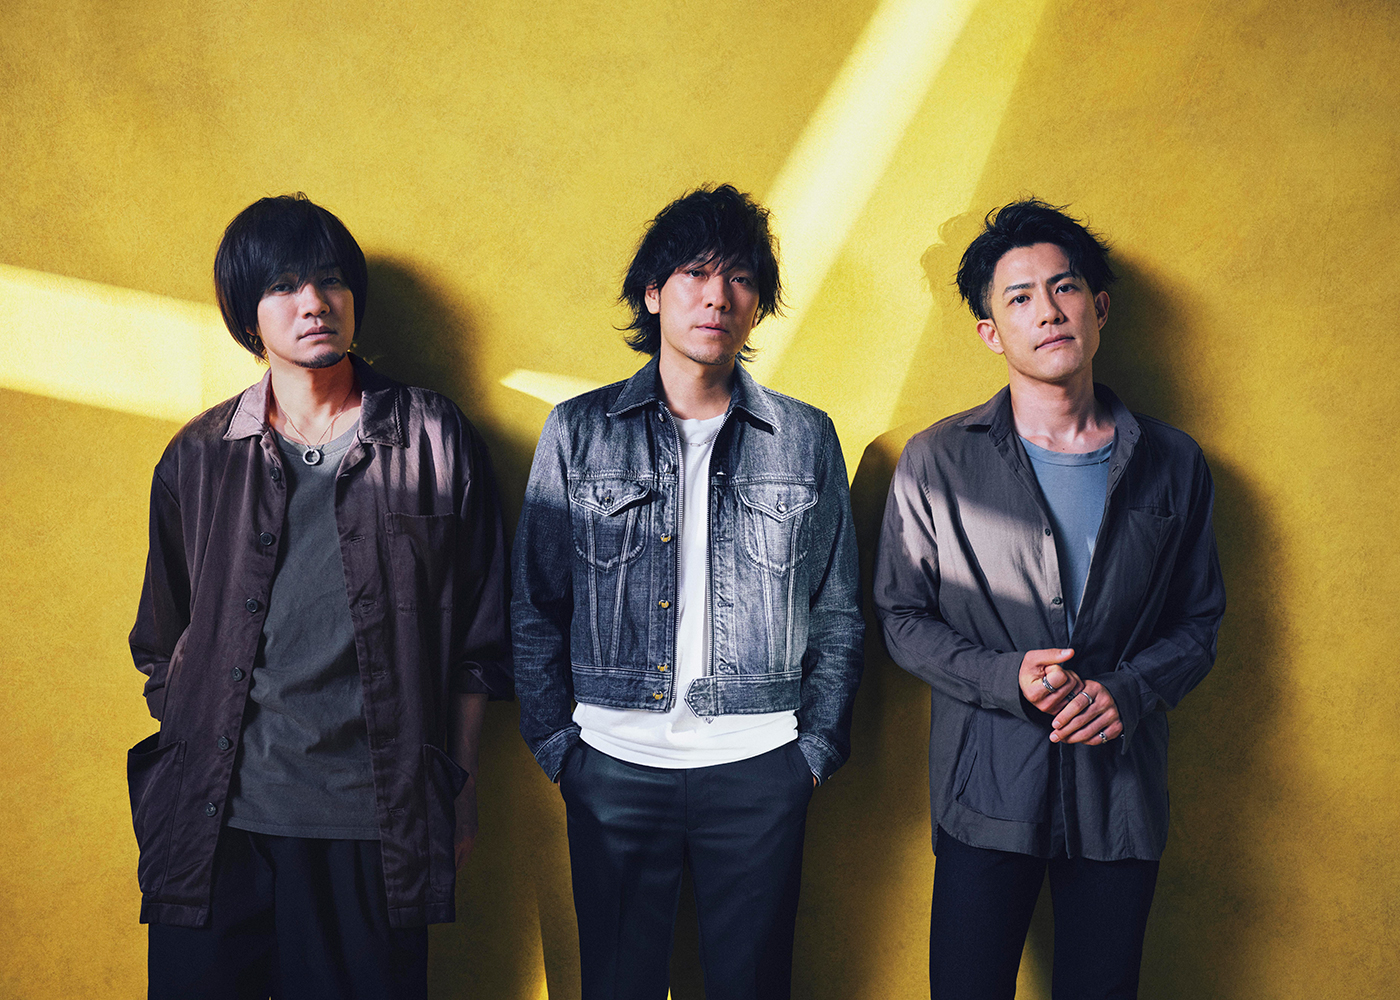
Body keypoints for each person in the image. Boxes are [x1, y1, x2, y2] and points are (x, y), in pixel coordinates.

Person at [127, 193, 512, 999]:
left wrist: (461, 789)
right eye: (284, 285)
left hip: (374, 826)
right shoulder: (199, 457)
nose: (314, 302)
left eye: (330, 280)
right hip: (214, 828)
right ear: (248, 314)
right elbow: (163, 640)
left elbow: (480, 642)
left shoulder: (434, 439)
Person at [512, 184, 863, 1000]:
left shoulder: (805, 436)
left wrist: (813, 754)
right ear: (653, 293)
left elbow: (839, 611)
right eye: (696, 273)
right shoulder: (579, 431)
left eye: (739, 277)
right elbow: (534, 604)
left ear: (758, 302)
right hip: (613, 763)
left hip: (759, 765)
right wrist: (561, 747)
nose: (717, 296)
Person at [874, 199, 1226, 999]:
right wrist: (1006, 677)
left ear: (1099, 308)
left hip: (1120, 794)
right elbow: (901, 616)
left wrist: (1129, 691)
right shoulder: (938, 461)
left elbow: (1199, 620)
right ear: (991, 333)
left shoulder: (1175, 462)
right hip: (985, 789)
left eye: (1064, 288)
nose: (1048, 311)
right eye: (1020, 298)